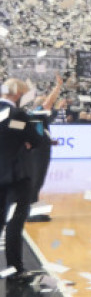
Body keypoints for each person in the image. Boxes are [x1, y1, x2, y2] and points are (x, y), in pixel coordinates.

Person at [1, 79, 45, 283]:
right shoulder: (17, 116)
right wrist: (25, 138)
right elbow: (35, 139)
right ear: (17, 94)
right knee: (14, 222)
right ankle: (15, 268)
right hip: (16, 177)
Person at [25, 75, 65, 224]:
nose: (50, 107)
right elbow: (49, 101)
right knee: (36, 182)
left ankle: (35, 212)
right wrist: (58, 87)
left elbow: (38, 132)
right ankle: (29, 213)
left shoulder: (37, 116)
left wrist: (50, 141)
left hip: (38, 150)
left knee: (37, 182)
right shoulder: (39, 112)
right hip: (38, 152)